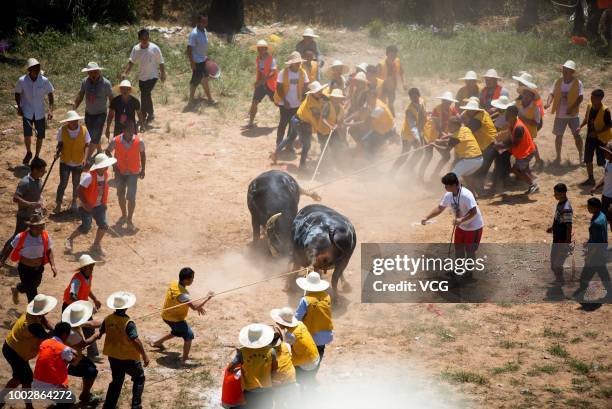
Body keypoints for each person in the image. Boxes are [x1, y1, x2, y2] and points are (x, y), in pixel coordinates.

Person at [1, 294, 55, 409]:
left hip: (13, 348)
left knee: (21, 378)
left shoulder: (33, 315)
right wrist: (58, 332)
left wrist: (53, 329)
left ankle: (3, 398)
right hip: (15, 352)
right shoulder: (33, 326)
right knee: (25, 378)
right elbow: (47, 339)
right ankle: (28, 406)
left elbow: (45, 322)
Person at [421, 172, 485, 270]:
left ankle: (469, 273)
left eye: (447, 186)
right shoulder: (448, 195)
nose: (445, 188)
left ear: (455, 185)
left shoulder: (466, 195)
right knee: (458, 248)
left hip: (473, 226)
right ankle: (459, 270)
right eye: (445, 185)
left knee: (470, 251)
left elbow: (474, 212)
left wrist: (461, 219)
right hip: (461, 226)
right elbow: (440, 208)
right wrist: (427, 217)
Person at [97, 291, 149, 409]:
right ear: (126, 307)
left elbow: (101, 332)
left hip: (113, 356)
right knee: (139, 377)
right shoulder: (129, 323)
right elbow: (135, 340)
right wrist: (144, 355)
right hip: (128, 357)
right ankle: (136, 405)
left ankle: (109, 406)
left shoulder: (108, 318)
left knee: (117, 381)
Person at [151, 267, 214, 364]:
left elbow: (190, 303)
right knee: (189, 334)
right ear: (186, 279)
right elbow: (193, 307)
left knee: (177, 331)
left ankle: (157, 343)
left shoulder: (174, 283)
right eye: (192, 278)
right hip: (173, 318)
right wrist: (207, 298)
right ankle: (184, 359)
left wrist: (198, 306)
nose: (193, 280)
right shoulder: (182, 294)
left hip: (166, 315)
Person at [64, 153, 117, 256]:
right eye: (105, 165)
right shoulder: (89, 176)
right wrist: (85, 204)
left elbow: (103, 190)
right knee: (86, 227)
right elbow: (79, 190)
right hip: (86, 206)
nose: (106, 167)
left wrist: (104, 203)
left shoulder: (105, 174)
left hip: (99, 205)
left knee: (104, 225)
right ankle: (69, 239)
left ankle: (96, 245)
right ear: (100, 166)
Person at [0, 214, 57, 304]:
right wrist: (2, 260)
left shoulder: (45, 236)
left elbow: (49, 250)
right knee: (32, 292)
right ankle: (34, 314)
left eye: (42, 227)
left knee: (33, 285)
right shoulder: (21, 237)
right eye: (37, 227)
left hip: (39, 268)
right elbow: (11, 247)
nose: (40, 230)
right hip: (25, 269)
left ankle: (17, 289)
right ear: (30, 227)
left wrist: (53, 265)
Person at [272, 81, 325, 170]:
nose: (320, 92)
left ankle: (276, 152)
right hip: (303, 124)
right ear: (313, 93)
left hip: (296, 119)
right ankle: (302, 166)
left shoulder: (311, 97)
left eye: (320, 90)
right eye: (317, 91)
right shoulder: (313, 103)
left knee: (290, 137)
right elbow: (317, 117)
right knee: (306, 145)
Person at [105, 121, 146, 230]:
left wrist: (143, 170)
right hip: (120, 171)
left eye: (132, 129)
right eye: (129, 130)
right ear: (124, 131)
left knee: (131, 197)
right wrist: (113, 163)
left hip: (133, 172)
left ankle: (129, 219)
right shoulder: (116, 140)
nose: (131, 132)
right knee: (120, 194)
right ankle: (124, 214)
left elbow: (143, 154)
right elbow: (107, 152)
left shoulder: (139, 141)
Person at [1, 157, 46, 257]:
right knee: (16, 238)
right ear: (34, 170)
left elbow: (37, 196)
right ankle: (2, 256)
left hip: (35, 215)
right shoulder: (25, 182)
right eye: (42, 171)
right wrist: (30, 204)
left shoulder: (39, 180)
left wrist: (41, 205)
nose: (44, 173)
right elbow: (16, 198)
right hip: (24, 216)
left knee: (37, 236)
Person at [121, 28, 166, 125]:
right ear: (139, 39)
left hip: (153, 76)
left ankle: (144, 115)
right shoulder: (136, 49)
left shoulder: (154, 48)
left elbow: (161, 62)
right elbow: (131, 62)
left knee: (145, 93)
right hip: (142, 77)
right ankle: (150, 114)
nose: (145, 40)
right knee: (145, 94)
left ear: (149, 38)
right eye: (143, 38)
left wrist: (163, 74)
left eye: (147, 37)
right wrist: (125, 72)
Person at [15, 58, 54, 165]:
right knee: (27, 135)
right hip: (27, 112)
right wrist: (19, 107)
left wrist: (50, 110)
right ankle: (29, 152)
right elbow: (17, 93)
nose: (37, 70)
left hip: (40, 113)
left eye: (38, 68)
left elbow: (50, 93)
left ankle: (36, 156)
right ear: (29, 70)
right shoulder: (22, 81)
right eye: (34, 68)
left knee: (40, 136)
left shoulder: (44, 80)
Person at [62, 254, 102, 360]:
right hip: (71, 308)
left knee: (89, 330)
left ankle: (92, 354)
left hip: (82, 308)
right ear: (84, 267)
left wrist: (95, 299)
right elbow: (72, 294)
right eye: (90, 267)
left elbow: (87, 289)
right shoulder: (77, 279)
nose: (92, 269)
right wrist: (84, 305)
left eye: (93, 267)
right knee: (68, 332)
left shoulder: (88, 276)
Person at [544, 60, 584, 165]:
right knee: (558, 136)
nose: (564, 72)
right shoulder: (558, 82)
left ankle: (581, 156)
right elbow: (551, 94)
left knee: (577, 135)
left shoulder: (577, 83)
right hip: (560, 115)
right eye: (564, 70)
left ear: (572, 72)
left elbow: (580, 97)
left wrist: (572, 108)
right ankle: (558, 157)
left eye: (567, 70)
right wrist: (548, 104)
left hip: (573, 115)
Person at [61, 300, 101, 405]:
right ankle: (85, 395)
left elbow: (94, 323)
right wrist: (95, 336)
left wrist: (105, 323)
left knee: (90, 369)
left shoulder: (67, 324)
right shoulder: (73, 333)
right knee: (92, 371)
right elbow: (84, 344)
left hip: (70, 356)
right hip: (69, 361)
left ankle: (85, 394)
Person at [228, 323, 277, 409]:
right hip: (267, 388)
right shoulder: (271, 351)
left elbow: (230, 368)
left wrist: (237, 371)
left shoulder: (242, 352)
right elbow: (275, 368)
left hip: (250, 390)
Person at [573, 197, 612, 304]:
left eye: (589, 206)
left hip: (596, 253)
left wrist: (589, 255)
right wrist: (589, 242)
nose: (587, 208)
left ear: (594, 207)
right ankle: (610, 294)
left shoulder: (596, 222)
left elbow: (596, 244)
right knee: (603, 273)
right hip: (602, 251)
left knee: (586, 274)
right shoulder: (602, 216)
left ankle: (581, 294)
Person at [269, 307, 319, 388]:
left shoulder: (290, 335)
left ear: (283, 323)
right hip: (315, 355)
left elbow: (285, 349)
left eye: (278, 321)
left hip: (308, 363)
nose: (276, 323)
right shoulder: (300, 324)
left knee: (284, 361)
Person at [32, 322, 77, 408]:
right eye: (68, 335)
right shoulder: (65, 349)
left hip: (36, 382)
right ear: (64, 335)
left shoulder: (45, 342)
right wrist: (73, 352)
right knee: (70, 399)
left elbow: (55, 348)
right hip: (50, 386)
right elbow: (73, 359)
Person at [495, 105, 539, 194]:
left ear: (512, 115)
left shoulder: (518, 127)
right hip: (525, 151)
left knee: (517, 170)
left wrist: (501, 146)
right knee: (521, 169)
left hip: (526, 152)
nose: (505, 116)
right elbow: (510, 136)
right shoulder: (513, 123)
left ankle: (533, 184)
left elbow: (515, 144)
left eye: (507, 114)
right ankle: (531, 182)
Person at [74, 62, 114, 159]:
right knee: (92, 135)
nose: (93, 74)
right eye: (90, 72)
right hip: (89, 113)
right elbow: (81, 94)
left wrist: (111, 115)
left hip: (101, 114)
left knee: (94, 136)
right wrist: (74, 107)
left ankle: (86, 159)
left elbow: (112, 99)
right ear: (88, 73)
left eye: (95, 72)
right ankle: (99, 150)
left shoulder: (106, 84)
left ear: (99, 71)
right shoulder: (85, 82)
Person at [54, 111, 90, 214]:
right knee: (63, 183)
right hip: (65, 161)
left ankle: (74, 201)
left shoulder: (84, 130)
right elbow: (60, 144)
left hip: (78, 161)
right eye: (71, 121)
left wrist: (85, 158)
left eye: (75, 121)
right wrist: (57, 152)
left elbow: (87, 144)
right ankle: (58, 203)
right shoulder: (62, 130)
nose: (74, 123)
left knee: (76, 184)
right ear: (68, 122)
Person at [295, 272, 333, 371]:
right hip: (325, 335)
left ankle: (303, 377)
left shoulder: (305, 300)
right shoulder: (327, 297)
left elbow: (297, 318)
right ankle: (313, 375)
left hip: (310, 336)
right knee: (318, 357)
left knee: (306, 358)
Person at [419, 91, 460, 181]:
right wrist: (445, 135)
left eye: (448, 101)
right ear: (442, 101)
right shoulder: (436, 110)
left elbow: (458, 117)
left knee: (446, 156)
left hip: (441, 135)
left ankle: (434, 174)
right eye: (445, 101)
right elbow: (438, 127)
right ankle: (420, 176)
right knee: (428, 156)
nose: (447, 103)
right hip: (430, 134)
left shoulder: (452, 108)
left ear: (451, 102)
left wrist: (461, 121)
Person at [273, 51, 309, 149]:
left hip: (297, 103)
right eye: (297, 62)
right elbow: (279, 88)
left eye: (299, 62)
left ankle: (289, 145)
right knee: (283, 123)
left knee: (293, 125)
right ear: (291, 63)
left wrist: (304, 95)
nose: (299, 64)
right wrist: (285, 101)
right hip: (285, 103)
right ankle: (279, 143)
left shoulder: (303, 72)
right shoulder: (283, 73)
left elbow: (306, 85)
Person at [460, 98, 498, 192]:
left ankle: (480, 190)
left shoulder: (479, 117)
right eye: (468, 109)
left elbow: (468, 130)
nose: (469, 111)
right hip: (482, 145)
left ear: (476, 110)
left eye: (471, 110)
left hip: (490, 145)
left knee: (480, 170)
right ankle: (477, 189)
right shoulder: (469, 113)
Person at [579, 89, 611, 185]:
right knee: (588, 158)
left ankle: (608, 179)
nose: (592, 99)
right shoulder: (589, 106)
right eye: (591, 97)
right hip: (590, 137)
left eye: (594, 98)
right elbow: (586, 117)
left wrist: (597, 133)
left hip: (601, 139)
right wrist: (580, 126)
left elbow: (609, 125)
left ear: (600, 99)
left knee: (601, 161)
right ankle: (591, 179)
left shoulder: (606, 110)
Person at [391, 87, 426, 174]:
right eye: (412, 97)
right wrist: (417, 138)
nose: (414, 99)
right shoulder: (409, 110)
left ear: (419, 95)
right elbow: (413, 127)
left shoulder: (422, 101)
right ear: (410, 98)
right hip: (407, 135)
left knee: (419, 152)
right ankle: (392, 172)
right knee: (405, 154)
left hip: (417, 133)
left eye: (415, 96)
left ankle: (408, 169)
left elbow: (423, 114)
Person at [247, 40, 278, 129]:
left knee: (278, 103)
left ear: (266, 49)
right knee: (254, 102)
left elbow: (273, 73)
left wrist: (262, 81)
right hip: (261, 85)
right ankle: (250, 122)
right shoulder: (258, 59)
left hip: (271, 84)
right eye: (258, 48)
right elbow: (260, 71)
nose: (260, 50)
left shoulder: (272, 59)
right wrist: (258, 81)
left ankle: (288, 118)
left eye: (261, 48)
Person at [547, 183, 573, 284]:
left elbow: (568, 227)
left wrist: (566, 243)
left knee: (556, 262)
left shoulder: (566, 209)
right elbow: (557, 218)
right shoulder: (560, 203)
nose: (554, 195)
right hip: (557, 237)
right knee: (554, 261)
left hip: (561, 239)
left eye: (556, 193)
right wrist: (552, 228)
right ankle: (559, 279)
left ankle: (560, 281)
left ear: (563, 193)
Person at [187, 13, 216, 106]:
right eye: (203, 21)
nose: (205, 23)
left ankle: (210, 99)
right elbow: (189, 49)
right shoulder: (194, 33)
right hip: (197, 61)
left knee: (205, 78)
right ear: (198, 22)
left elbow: (202, 46)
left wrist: (205, 56)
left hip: (203, 59)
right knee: (195, 81)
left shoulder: (204, 30)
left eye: (206, 21)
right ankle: (190, 101)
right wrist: (192, 63)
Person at [516, 81, 544, 169]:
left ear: (532, 97)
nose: (526, 97)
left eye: (529, 95)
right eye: (525, 94)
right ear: (523, 94)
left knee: (528, 146)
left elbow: (536, 123)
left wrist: (523, 119)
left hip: (529, 131)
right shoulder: (517, 103)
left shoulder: (536, 108)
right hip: (518, 130)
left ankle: (525, 167)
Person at [489, 96, 515, 192]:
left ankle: (499, 183)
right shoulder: (503, 114)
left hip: (503, 142)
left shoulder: (505, 117)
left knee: (500, 162)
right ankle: (504, 181)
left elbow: (504, 130)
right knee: (503, 162)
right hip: (502, 141)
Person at [269, 327, 296, 408]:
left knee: (279, 404)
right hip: (291, 378)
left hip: (278, 383)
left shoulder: (268, 352)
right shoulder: (287, 345)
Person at [377, 45, 406, 116]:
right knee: (382, 105)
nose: (393, 57)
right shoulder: (380, 65)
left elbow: (401, 72)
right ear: (387, 54)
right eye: (391, 55)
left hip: (392, 88)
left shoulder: (397, 61)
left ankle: (391, 120)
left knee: (390, 104)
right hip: (382, 88)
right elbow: (375, 78)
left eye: (395, 55)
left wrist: (404, 83)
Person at [591, 141, 612, 232]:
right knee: (605, 220)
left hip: (611, 198)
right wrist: (596, 186)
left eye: (606, 151)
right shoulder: (607, 162)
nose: (604, 153)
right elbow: (605, 177)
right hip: (605, 196)